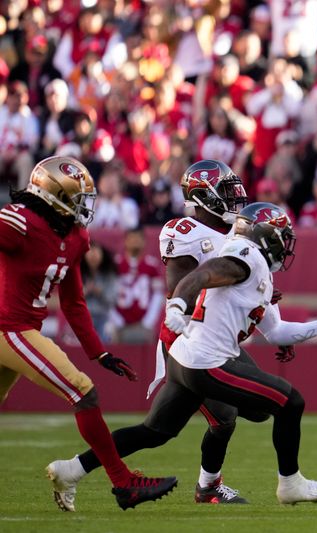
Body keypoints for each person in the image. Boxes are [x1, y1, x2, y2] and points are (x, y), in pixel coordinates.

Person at [53, 202, 317, 506]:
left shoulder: (251, 265)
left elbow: (277, 331)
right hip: (208, 363)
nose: (285, 246)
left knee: (153, 432)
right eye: (281, 237)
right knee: (289, 401)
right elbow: (201, 275)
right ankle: (290, 484)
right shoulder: (247, 256)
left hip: (184, 358)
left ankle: (72, 469)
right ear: (265, 236)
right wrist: (176, 305)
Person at [47, 160, 254, 506]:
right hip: (190, 337)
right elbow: (179, 288)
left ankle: (73, 469)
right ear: (204, 196)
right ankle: (210, 487)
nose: (236, 197)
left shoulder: (233, 234)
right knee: (242, 411)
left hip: (213, 335)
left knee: (157, 432)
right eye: (227, 190)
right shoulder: (185, 231)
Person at [0, 156, 176, 512]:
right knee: (83, 391)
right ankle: (124, 482)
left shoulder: (76, 236)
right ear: (53, 196)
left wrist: (100, 353)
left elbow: (74, 302)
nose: (84, 207)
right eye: (77, 199)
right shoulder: (20, 221)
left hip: (20, 331)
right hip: (9, 328)